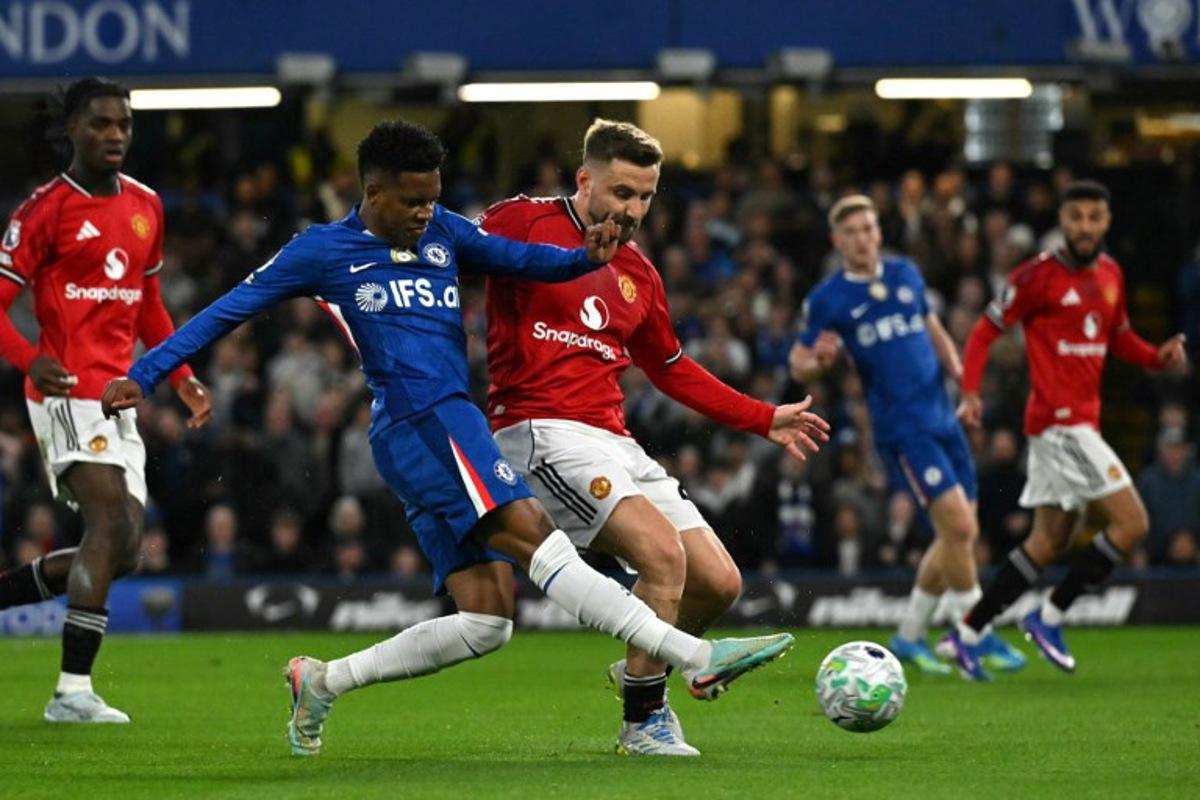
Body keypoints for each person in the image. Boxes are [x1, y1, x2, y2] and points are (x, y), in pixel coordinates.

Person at [100, 120, 796, 757]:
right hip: (420, 421)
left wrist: (586, 258)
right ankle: (691, 658)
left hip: (437, 424)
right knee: (538, 541)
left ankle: (322, 680)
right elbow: (226, 310)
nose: (426, 213)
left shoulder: (446, 233)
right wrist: (149, 372)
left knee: (486, 621)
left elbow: (525, 263)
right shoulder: (322, 250)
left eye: (434, 199)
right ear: (372, 192)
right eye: (412, 202)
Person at [479, 119, 829, 756]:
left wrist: (760, 416)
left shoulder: (637, 270)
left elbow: (668, 367)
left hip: (613, 438)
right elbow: (449, 253)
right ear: (584, 179)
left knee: (718, 582)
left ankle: (646, 665)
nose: (632, 210)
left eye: (644, 197)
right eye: (620, 193)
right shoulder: (519, 222)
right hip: (539, 430)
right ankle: (644, 722)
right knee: (663, 557)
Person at [0, 78, 211, 723]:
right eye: (99, 124)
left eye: (123, 123)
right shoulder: (44, 211)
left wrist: (181, 377)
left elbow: (148, 304)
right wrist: (27, 355)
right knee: (107, 523)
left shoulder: (147, 205)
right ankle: (71, 693)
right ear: (72, 129)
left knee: (123, 552)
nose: (114, 134)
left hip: (120, 397)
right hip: (63, 392)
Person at [945, 180, 1188, 679]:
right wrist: (970, 392)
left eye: (1094, 217)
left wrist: (1155, 358)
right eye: (1075, 217)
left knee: (1049, 541)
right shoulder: (1037, 277)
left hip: (1080, 423)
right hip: (1060, 425)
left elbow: (1117, 336)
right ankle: (1050, 615)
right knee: (1132, 524)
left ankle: (967, 633)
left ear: (1107, 221)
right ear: (1062, 220)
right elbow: (985, 330)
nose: (1084, 227)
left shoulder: (1111, 275)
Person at [789, 194, 1024, 680]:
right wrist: (821, 363)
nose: (862, 238)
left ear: (879, 232)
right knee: (959, 530)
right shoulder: (828, 298)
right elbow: (801, 362)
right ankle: (973, 633)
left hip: (943, 417)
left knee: (957, 534)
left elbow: (932, 326)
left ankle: (910, 636)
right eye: (851, 231)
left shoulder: (904, 274)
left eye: (869, 228)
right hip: (902, 429)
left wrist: (963, 377)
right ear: (838, 240)